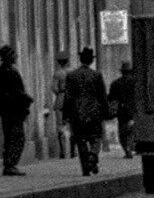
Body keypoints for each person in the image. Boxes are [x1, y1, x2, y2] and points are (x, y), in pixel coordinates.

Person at [62, 47, 110, 176]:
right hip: (94, 111)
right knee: (96, 138)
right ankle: (93, 155)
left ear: (80, 59)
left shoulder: (71, 75)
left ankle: (85, 168)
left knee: (80, 140)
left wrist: (65, 114)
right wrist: (106, 112)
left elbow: (68, 97)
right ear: (91, 61)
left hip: (77, 112)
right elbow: (102, 96)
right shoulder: (96, 75)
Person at [0, 44, 32, 177]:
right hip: (13, 110)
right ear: (10, 57)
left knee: (10, 137)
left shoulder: (1, 71)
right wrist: (26, 98)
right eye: (14, 54)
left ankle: (9, 164)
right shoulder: (10, 71)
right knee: (17, 137)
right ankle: (10, 165)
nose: (16, 56)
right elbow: (15, 92)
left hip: (6, 109)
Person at [109, 61, 138, 157]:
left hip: (121, 111)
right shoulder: (136, 82)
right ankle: (131, 147)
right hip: (134, 110)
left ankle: (127, 150)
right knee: (131, 130)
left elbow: (111, 98)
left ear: (122, 72)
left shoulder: (116, 83)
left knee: (122, 132)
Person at [49, 51, 71, 159]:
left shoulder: (57, 74)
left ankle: (62, 150)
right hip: (71, 99)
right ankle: (72, 150)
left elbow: (54, 87)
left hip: (61, 99)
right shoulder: (73, 72)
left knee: (60, 125)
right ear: (68, 61)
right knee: (72, 124)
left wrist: (59, 92)